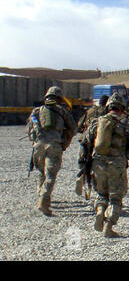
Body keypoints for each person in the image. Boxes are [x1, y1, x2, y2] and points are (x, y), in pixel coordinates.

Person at [81, 93, 129, 237]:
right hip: (117, 164)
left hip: (98, 163)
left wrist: (83, 165)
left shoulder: (97, 122)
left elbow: (84, 142)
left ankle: (100, 210)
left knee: (101, 193)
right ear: (122, 108)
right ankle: (109, 226)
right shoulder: (127, 124)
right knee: (116, 197)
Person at [26, 86, 77, 216]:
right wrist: (65, 139)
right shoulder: (62, 111)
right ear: (59, 98)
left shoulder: (36, 111)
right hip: (54, 145)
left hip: (39, 145)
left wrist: (35, 143)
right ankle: (44, 201)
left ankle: (40, 195)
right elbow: (73, 129)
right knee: (50, 175)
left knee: (41, 171)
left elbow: (30, 130)